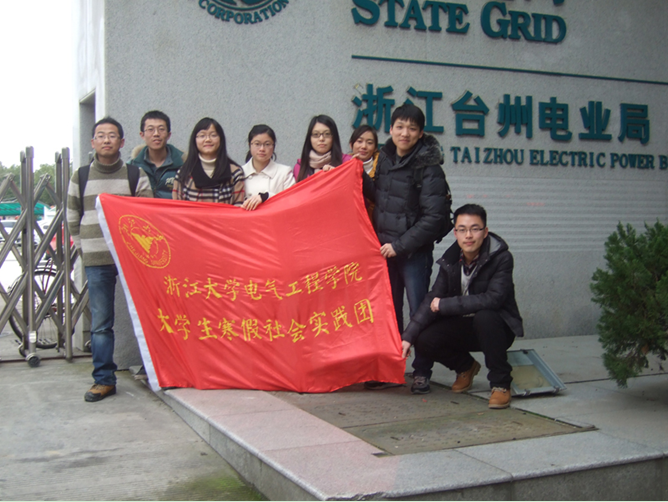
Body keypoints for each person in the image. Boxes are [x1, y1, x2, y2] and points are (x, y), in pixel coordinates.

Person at [362, 104, 452, 390]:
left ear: (421, 133)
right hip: (385, 251)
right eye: (399, 127)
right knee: (388, 312)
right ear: (390, 129)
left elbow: (433, 218)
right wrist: (355, 174)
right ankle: (390, 369)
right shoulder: (385, 159)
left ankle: (422, 370)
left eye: (412, 128)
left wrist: (399, 246)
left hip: (413, 254)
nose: (405, 133)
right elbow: (380, 196)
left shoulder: (429, 168)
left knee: (418, 312)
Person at [401, 204, 523, 409]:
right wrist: (408, 336)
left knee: (485, 316)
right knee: (424, 338)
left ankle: (501, 384)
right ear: (455, 233)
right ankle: (465, 367)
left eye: (475, 229)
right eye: (462, 229)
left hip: (497, 328)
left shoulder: (501, 257)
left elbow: (493, 299)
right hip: (466, 326)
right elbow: (432, 298)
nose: (469, 235)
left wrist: (445, 305)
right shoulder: (450, 260)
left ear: (485, 232)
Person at [66, 117, 153, 402]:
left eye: (112, 135)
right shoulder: (80, 176)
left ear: (122, 142)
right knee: (101, 323)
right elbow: (72, 216)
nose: (106, 140)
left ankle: (155, 371)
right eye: (101, 135)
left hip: (132, 260)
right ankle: (104, 380)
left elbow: (146, 215)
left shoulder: (135, 175)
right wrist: (85, 248)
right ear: (93, 142)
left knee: (148, 315)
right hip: (96, 258)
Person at [172, 118, 245, 204]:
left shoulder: (235, 172)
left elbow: (238, 206)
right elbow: (177, 208)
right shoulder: (184, 173)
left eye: (213, 135)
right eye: (202, 136)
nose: (207, 140)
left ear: (221, 139)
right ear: (194, 140)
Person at [129, 110, 185, 199]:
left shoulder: (184, 165)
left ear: (169, 135)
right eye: (150, 129)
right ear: (142, 135)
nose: (156, 134)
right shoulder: (132, 167)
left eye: (161, 129)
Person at [241, 124, 295, 211]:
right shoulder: (240, 173)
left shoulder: (284, 173)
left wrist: (267, 197)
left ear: (273, 147)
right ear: (249, 145)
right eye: (257, 144)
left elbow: (292, 202)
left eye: (267, 144)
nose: (262, 149)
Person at [294, 115, 352, 182]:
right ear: (309, 138)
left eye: (327, 134)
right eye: (316, 134)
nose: (321, 139)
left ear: (334, 137)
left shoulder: (347, 162)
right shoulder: (300, 167)